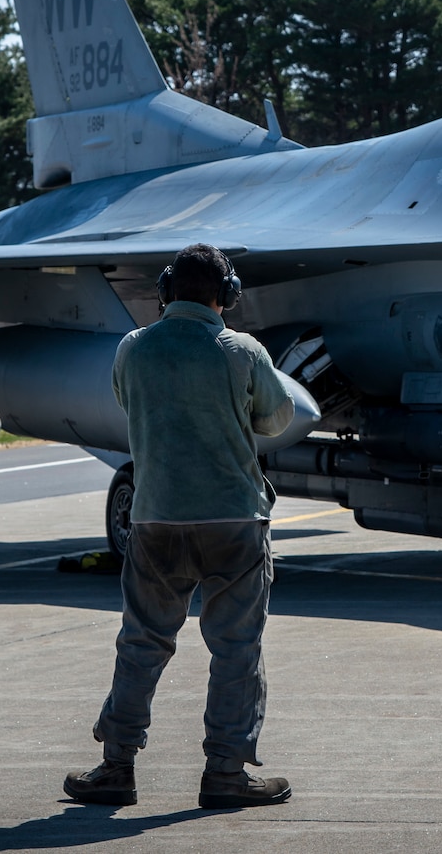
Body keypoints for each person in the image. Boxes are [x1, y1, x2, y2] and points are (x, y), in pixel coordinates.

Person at [64, 243, 296, 810]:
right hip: (234, 522)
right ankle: (225, 774)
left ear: (166, 290)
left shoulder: (133, 348)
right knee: (236, 648)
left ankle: (117, 766)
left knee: (141, 643)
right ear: (228, 295)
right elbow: (277, 417)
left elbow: (127, 403)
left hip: (156, 520)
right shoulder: (242, 349)